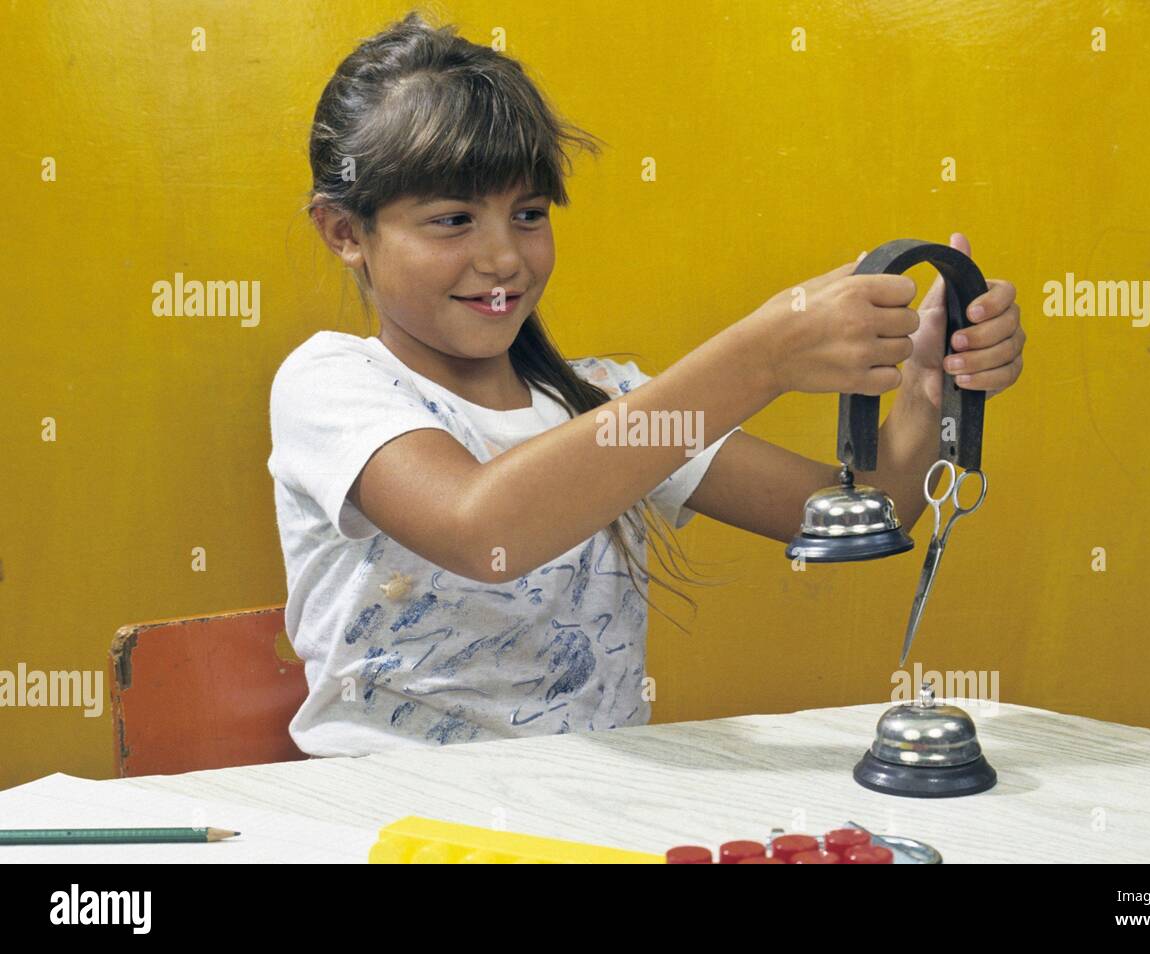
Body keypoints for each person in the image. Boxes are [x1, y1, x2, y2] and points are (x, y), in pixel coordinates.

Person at [267, 11, 1026, 757]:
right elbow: (482, 529)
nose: (503, 258)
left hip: (587, 821)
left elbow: (874, 505)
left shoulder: (600, 402)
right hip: (390, 815)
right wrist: (760, 358)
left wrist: (931, 384)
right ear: (344, 232)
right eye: (453, 220)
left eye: (528, 214)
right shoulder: (332, 383)